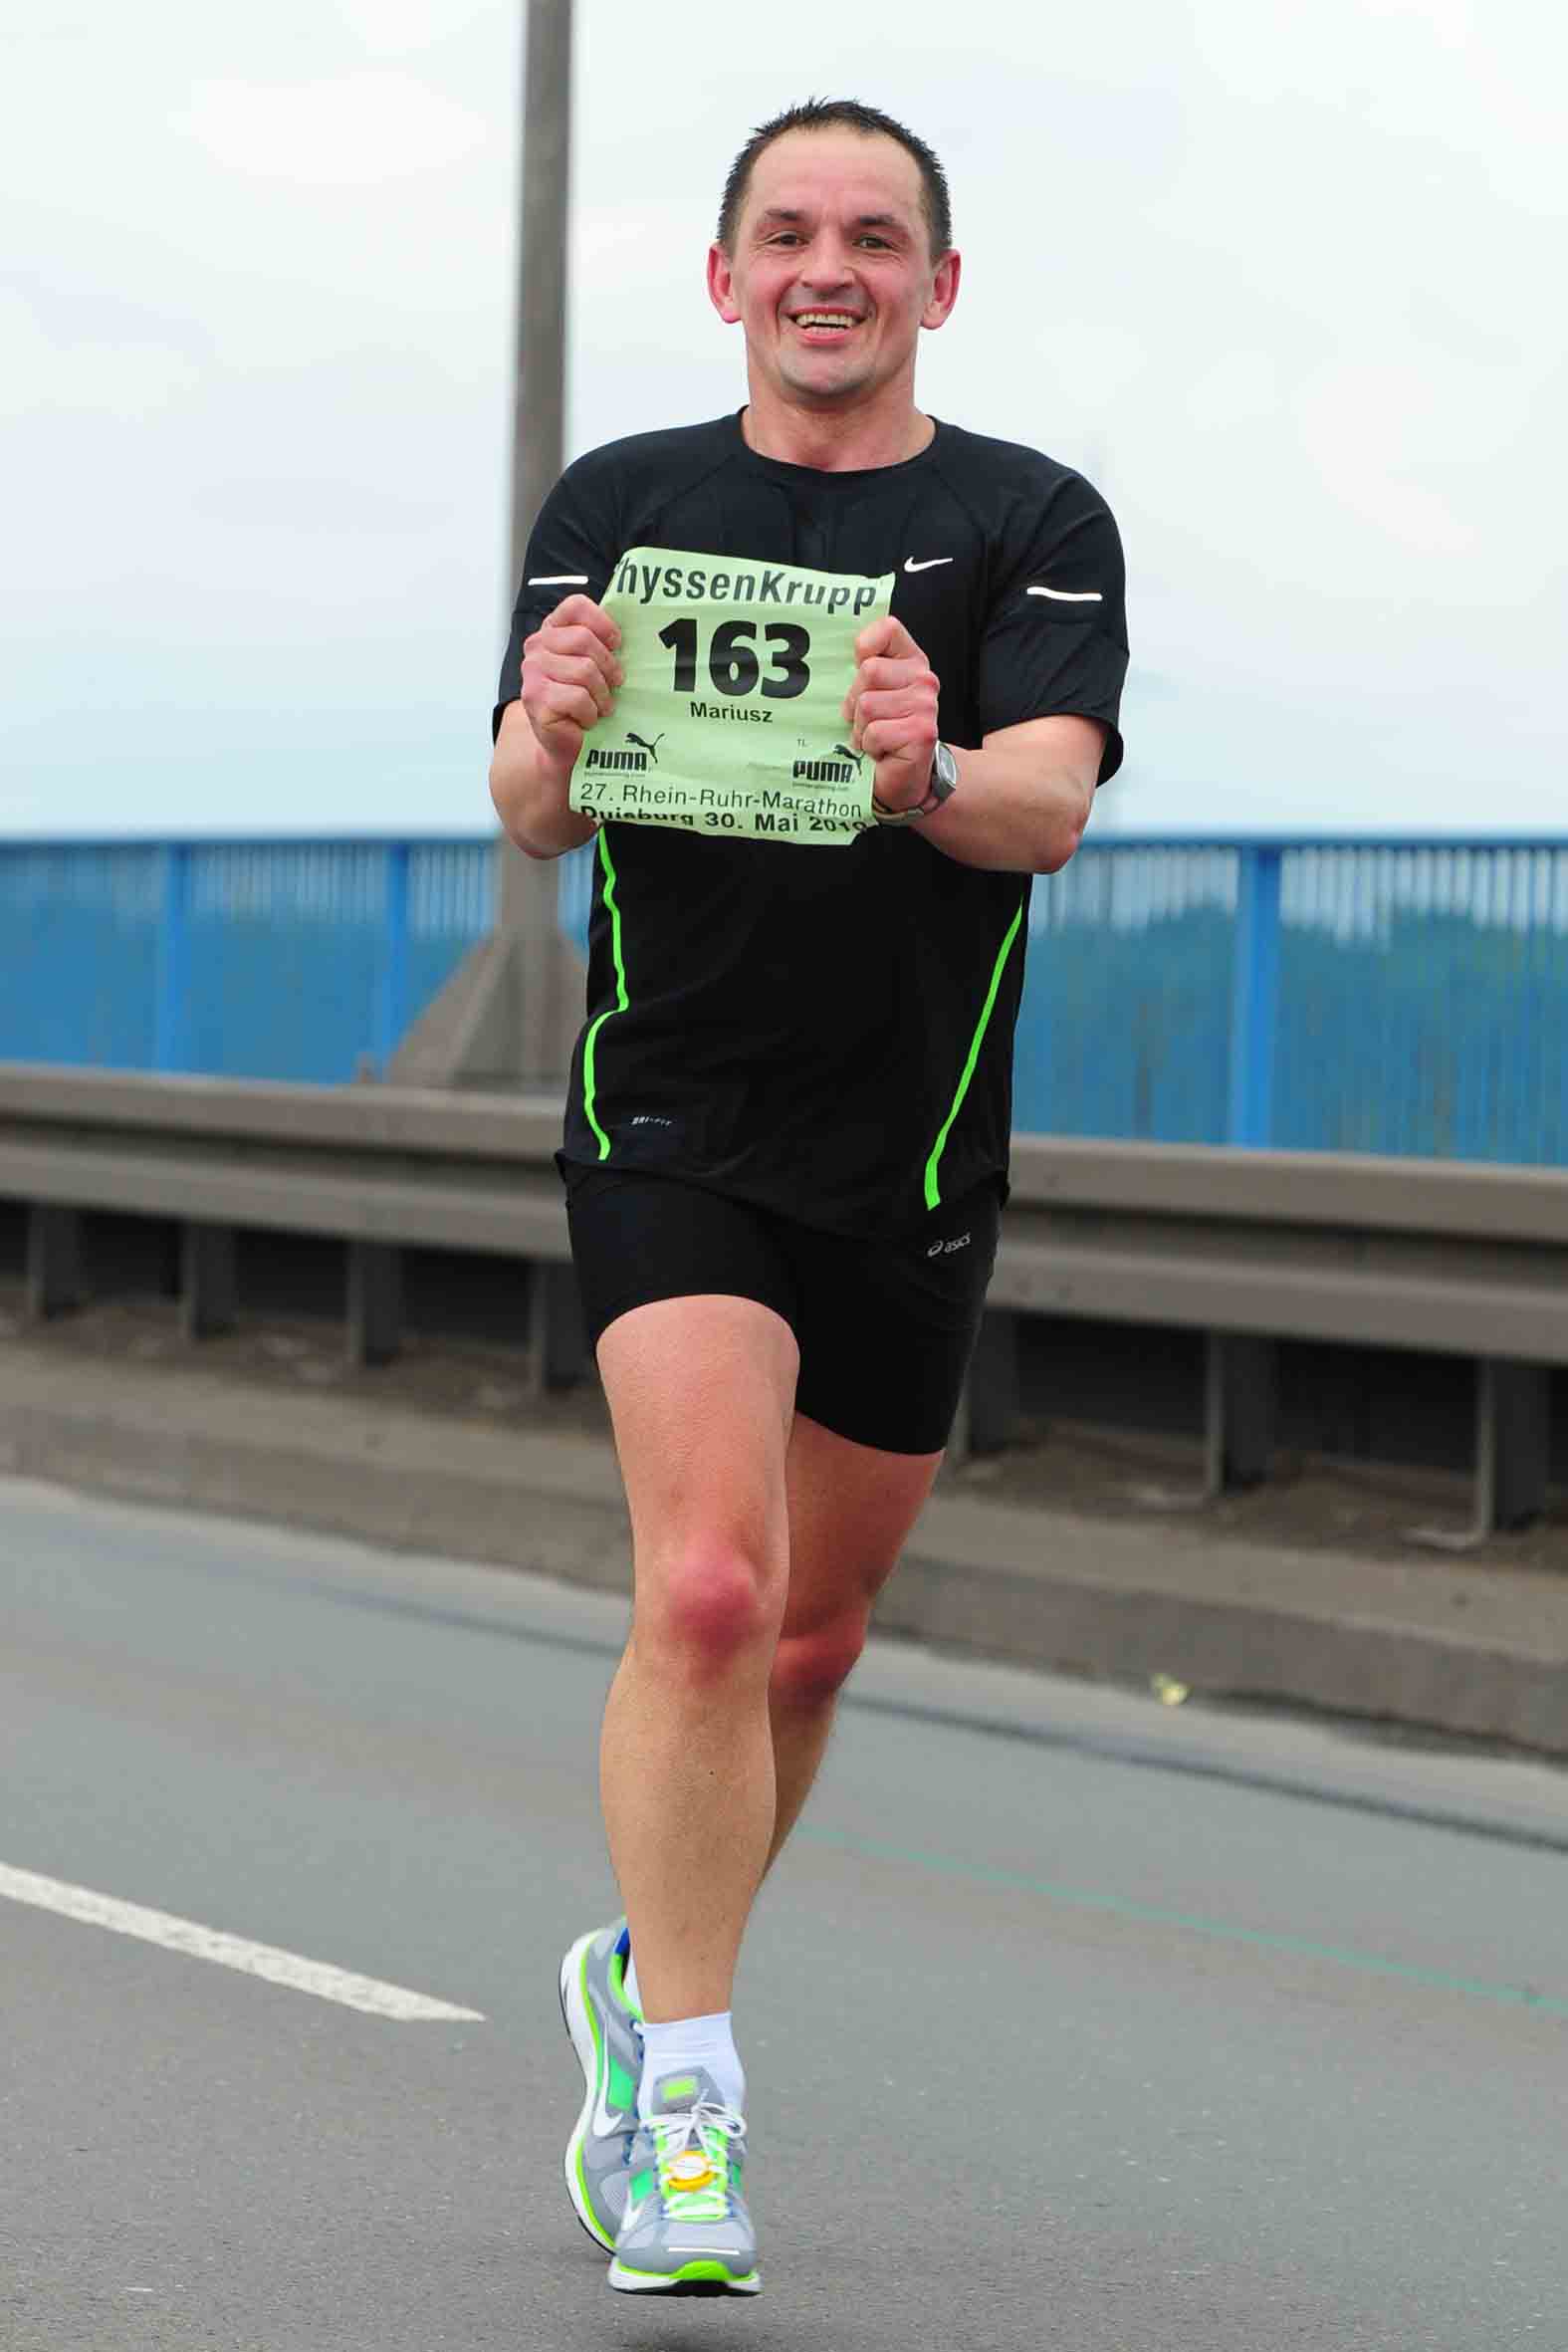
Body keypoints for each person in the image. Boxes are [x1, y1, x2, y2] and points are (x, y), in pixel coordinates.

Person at [490, 96, 1128, 2297]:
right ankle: (687, 2106)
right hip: (669, 1114)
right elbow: (530, 802)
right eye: (785, 233)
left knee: (813, 1635)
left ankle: (637, 1964)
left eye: (871, 235)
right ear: (724, 276)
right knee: (703, 1590)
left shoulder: (1027, 520)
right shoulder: (623, 504)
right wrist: (552, 718)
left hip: (912, 1150)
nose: (825, 267)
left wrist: (922, 765)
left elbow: (1044, 806)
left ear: (936, 282)